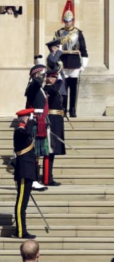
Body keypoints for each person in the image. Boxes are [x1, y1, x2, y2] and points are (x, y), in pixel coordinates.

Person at [54, 0, 89, 118]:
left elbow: (83, 49)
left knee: (73, 88)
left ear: (72, 20)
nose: (67, 23)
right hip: (63, 62)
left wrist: (83, 65)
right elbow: (55, 48)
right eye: (66, 21)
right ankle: (63, 108)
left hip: (74, 62)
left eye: (69, 21)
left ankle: (72, 109)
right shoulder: (59, 33)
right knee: (63, 89)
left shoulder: (78, 33)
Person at [13, 109, 38, 239]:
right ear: (24, 119)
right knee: (21, 204)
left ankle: (22, 230)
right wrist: (32, 120)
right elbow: (27, 131)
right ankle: (21, 231)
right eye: (28, 117)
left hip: (28, 172)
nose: (30, 119)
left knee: (24, 203)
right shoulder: (19, 131)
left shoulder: (24, 131)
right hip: (23, 171)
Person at [24, 64, 49, 192]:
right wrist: (39, 76)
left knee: (38, 155)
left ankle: (35, 180)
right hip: (35, 122)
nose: (45, 77)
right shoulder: (33, 86)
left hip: (41, 121)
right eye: (43, 74)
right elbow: (37, 83)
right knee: (34, 154)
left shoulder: (40, 89)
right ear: (37, 75)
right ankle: (33, 180)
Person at [43, 63, 66, 186]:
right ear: (49, 78)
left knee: (53, 151)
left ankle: (49, 176)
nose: (56, 80)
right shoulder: (48, 88)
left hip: (57, 120)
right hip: (52, 121)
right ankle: (47, 178)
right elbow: (54, 89)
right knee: (49, 150)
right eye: (54, 77)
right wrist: (59, 81)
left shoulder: (52, 88)